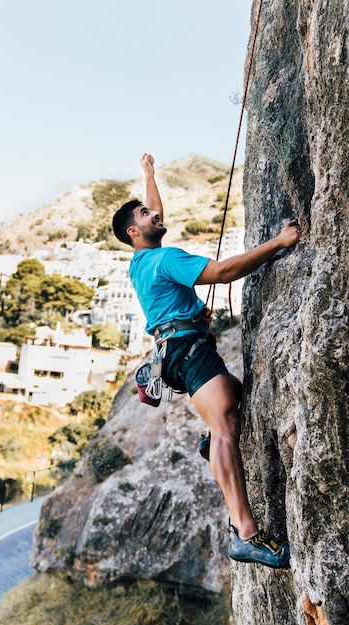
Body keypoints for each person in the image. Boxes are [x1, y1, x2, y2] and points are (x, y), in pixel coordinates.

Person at [112, 153, 301, 569]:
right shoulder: (165, 258)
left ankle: (211, 444)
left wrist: (149, 175)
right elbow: (226, 270)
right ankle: (246, 535)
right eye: (146, 213)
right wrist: (278, 243)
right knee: (226, 425)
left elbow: (152, 214)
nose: (155, 212)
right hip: (187, 349)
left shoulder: (139, 262)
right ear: (133, 230)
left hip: (176, 349)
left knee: (235, 396)